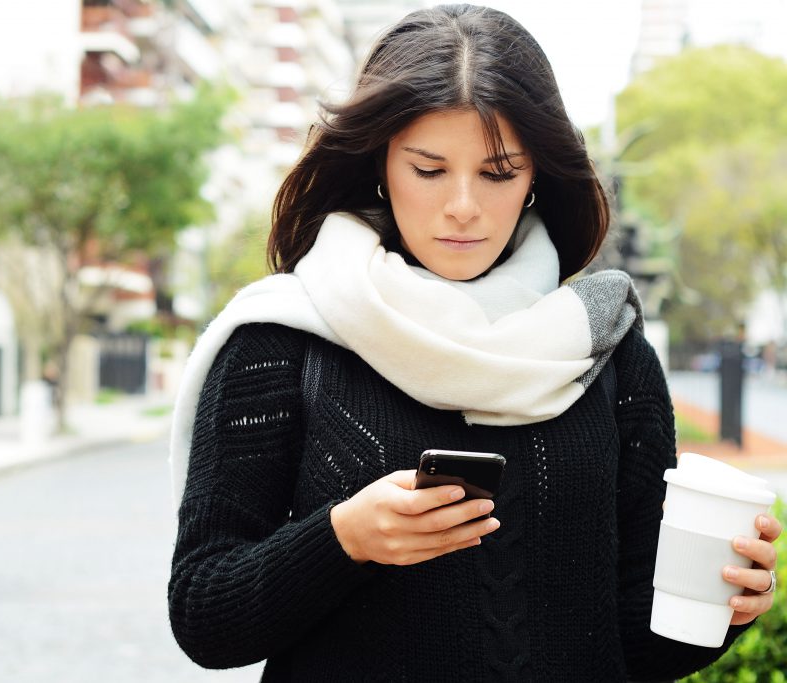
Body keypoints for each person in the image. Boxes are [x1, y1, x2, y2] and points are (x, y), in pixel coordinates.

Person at [167, 5, 782, 681]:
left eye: (498, 173)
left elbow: (634, 644)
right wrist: (344, 538)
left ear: (536, 177)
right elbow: (205, 616)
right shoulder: (282, 340)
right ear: (379, 163)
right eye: (429, 170)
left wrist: (723, 605)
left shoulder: (606, 347)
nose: (464, 205)